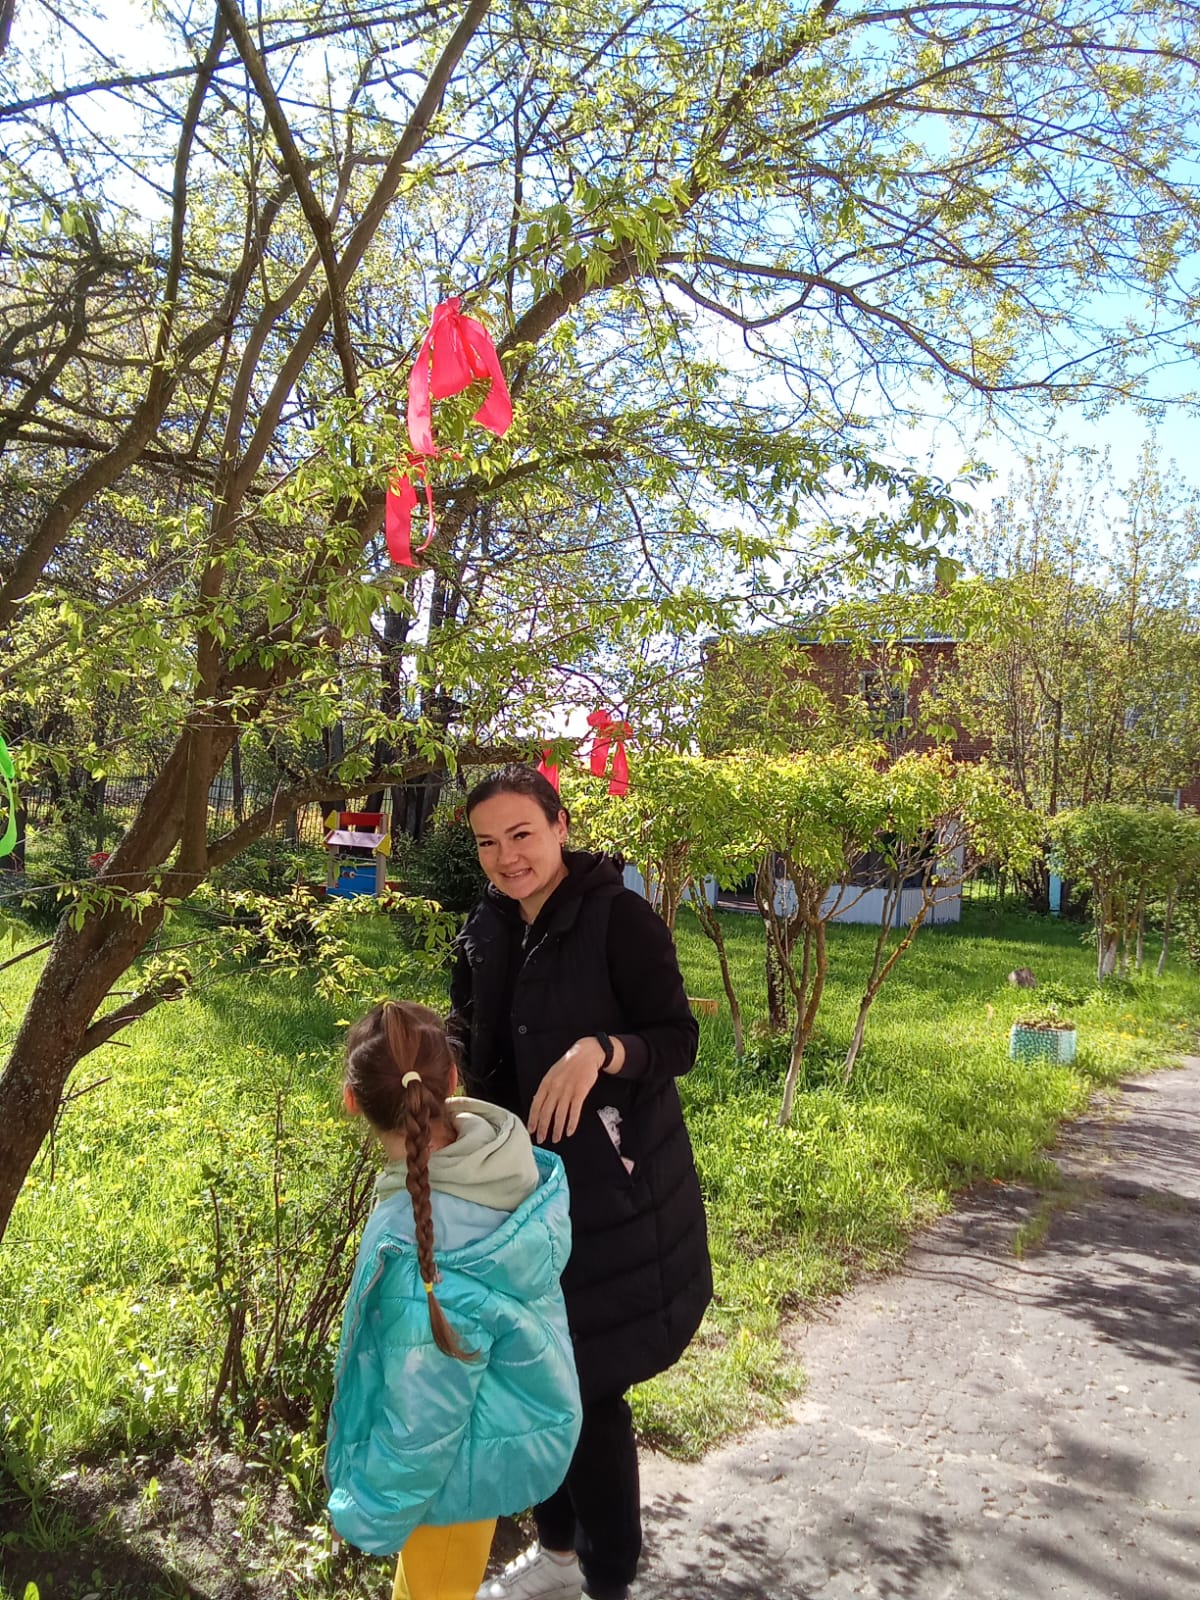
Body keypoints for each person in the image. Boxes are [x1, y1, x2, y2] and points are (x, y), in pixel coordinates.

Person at [449, 764, 713, 1600]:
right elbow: (469, 1037)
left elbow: (677, 1039)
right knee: (533, 1382)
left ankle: (607, 1581)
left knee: (590, 1393)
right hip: (517, 1200)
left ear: (560, 826)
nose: (507, 857)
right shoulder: (484, 928)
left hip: (612, 1201)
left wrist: (602, 1050)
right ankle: (558, 1556)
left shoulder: (618, 920)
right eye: (488, 843)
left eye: (522, 834)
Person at [325, 1000, 582, 1600]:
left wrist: (369, 1509)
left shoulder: (419, 1249)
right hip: (480, 1444)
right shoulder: (495, 1168)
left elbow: (424, 1419)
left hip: (448, 1481)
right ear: (453, 1081)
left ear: (353, 1101)